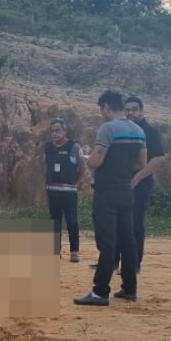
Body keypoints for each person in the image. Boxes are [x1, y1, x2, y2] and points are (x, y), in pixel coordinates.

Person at [74, 90, 145, 307]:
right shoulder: (138, 130)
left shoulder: (108, 128)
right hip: (126, 190)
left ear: (106, 107)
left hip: (106, 191)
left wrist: (86, 158)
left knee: (107, 241)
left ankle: (100, 291)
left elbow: (97, 160)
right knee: (128, 240)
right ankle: (130, 288)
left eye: (101, 110)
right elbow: (142, 163)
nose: (102, 114)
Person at [123, 96, 165, 272]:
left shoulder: (150, 132)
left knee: (135, 222)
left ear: (141, 111)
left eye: (134, 109)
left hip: (141, 183)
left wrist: (138, 177)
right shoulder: (123, 130)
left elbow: (158, 158)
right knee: (119, 221)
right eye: (127, 110)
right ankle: (113, 261)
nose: (130, 112)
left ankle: (134, 263)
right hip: (123, 182)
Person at [42, 118, 84, 262]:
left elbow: (82, 167)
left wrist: (75, 182)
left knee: (72, 221)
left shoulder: (74, 147)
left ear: (65, 131)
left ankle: (74, 252)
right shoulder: (48, 148)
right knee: (54, 222)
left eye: (58, 130)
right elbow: (45, 167)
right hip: (52, 191)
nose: (54, 133)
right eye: (52, 131)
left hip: (69, 191)